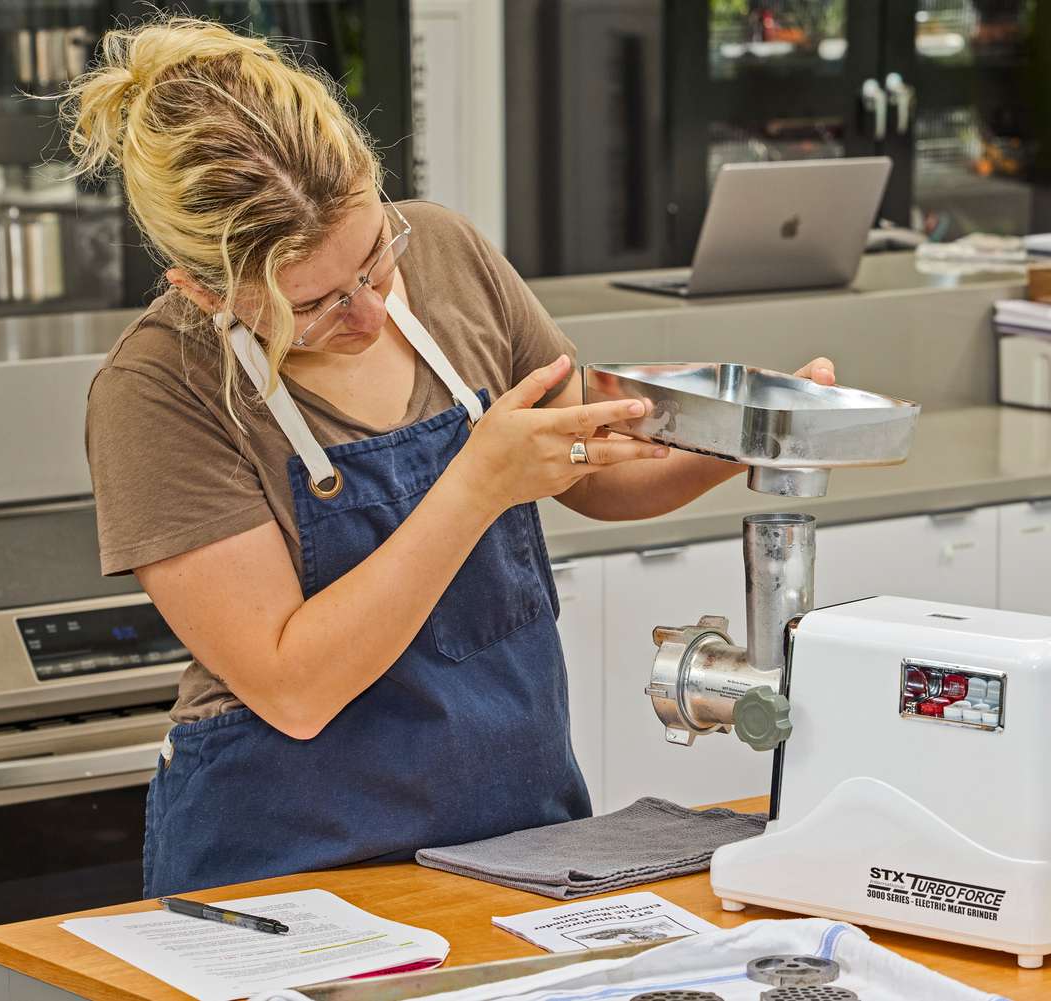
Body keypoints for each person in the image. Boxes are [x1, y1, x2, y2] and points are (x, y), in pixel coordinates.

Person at [68, 16, 836, 897]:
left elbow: (599, 460)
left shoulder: (445, 254)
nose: (364, 310)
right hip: (284, 867)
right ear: (201, 287)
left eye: (373, 259)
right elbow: (293, 685)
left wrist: (740, 435)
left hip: (522, 833)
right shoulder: (159, 389)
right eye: (313, 303)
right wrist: (474, 486)